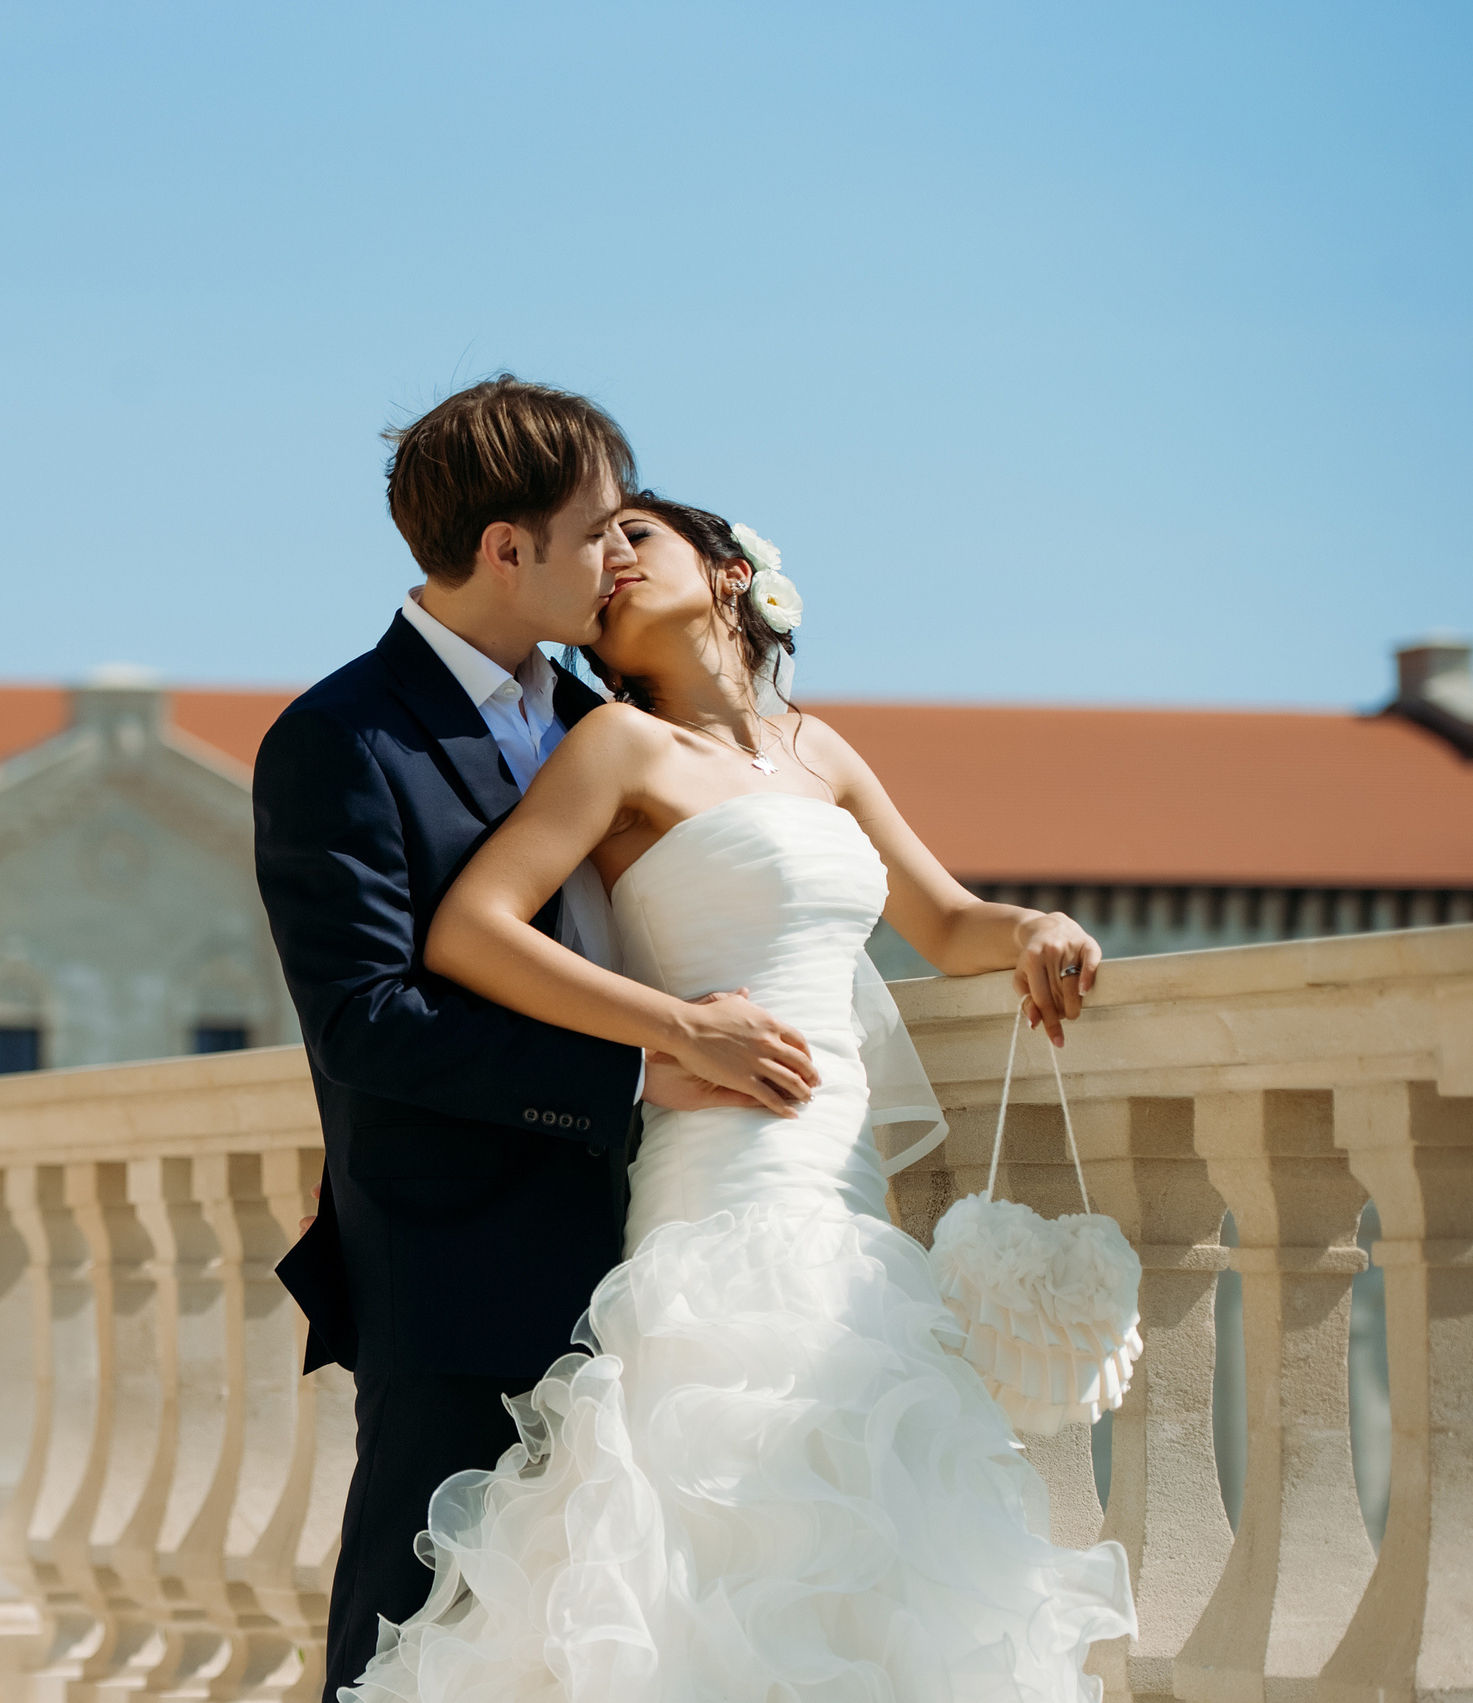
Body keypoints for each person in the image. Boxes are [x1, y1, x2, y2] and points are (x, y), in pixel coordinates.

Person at [340, 492, 1136, 1702]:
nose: (607, 563)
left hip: (846, 1191)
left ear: (727, 570)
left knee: (862, 1532)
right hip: (716, 1182)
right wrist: (678, 1030)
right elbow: (468, 930)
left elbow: (940, 918)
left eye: (634, 539)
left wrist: (1035, 925)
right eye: (594, 546)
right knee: (707, 1534)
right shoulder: (614, 745)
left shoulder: (821, 750)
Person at [252, 378, 821, 1703]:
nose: (621, 555)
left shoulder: (607, 721)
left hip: (670, 1258)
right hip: (462, 1272)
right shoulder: (341, 741)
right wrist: (633, 1071)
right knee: (414, 1645)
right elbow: (367, 1021)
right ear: (510, 550)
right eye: (600, 530)